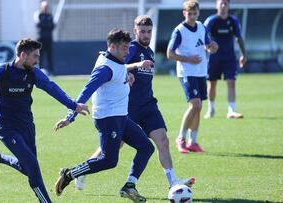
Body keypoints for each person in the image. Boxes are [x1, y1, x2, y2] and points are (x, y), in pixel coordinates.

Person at [73, 15, 195, 191]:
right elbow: (117, 67)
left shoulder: (150, 51)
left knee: (162, 140)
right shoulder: (130, 49)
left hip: (148, 106)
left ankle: (172, 182)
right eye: (143, 31)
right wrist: (136, 65)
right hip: (128, 107)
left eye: (149, 31)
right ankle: (83, 171)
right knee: (114, 147)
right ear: (135, 30)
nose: (146, 35)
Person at [0, 38, 89, 203]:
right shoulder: (0, 71)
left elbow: (51, 88)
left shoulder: (33, 73)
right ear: (23, 55)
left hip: (27, 125)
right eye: (35, 56)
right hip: (7, 127)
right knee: (32, 165)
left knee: (27, 168)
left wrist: (73, 105)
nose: (38, 61)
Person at [53, 28, 155, 202]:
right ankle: (69, 174)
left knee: (147, 147)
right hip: (108, 119)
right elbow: (86, 91)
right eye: (124, 48)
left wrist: (127, 74)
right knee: (109, 160)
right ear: (112, 47)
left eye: (128, 47)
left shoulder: (116, 58)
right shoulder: (104, 69)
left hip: (121, 117)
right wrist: (70, 116)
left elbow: (119, 69)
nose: (128, 51)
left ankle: (129, 186)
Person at [167, 0, 218, 154]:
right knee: (195, 105)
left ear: (198, 13)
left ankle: (193, 142)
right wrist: (189, 59)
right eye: (189, 13)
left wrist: (213, 47)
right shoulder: (179, 30)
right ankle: (180, 139)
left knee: (199, 106)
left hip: (201, 72)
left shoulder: (202, 27)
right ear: (184, 14)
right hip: (186, 72)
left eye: (195, 13)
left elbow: (208, 45)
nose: (192, 16)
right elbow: (170, 54)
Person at [203, 0, 247, 119]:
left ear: (229, 6)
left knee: (231, 82)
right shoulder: (211, 20)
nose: (223, 5)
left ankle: (231, 110)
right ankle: (211, 109)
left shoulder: (233, 21)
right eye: (221, 3)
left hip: (229, 58)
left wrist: (244, 54)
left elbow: (239, 38)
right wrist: (206, 49)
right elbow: (202, 37)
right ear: (216, 5)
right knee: (212, 84)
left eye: (225, 3)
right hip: (214, 58)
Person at [34, 1, 55, 75]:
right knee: (40, 55)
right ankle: (38, 70)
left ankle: (51, 71)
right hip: (40, 39)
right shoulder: (39, 14)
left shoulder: (50, 15)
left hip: (48, 38)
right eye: (44, 7)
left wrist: (46, 25)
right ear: (42, 7)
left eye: (47, 7)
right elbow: (39, 25)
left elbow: (52, 26)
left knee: (49, 55)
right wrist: (47, 25)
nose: (46, 8)